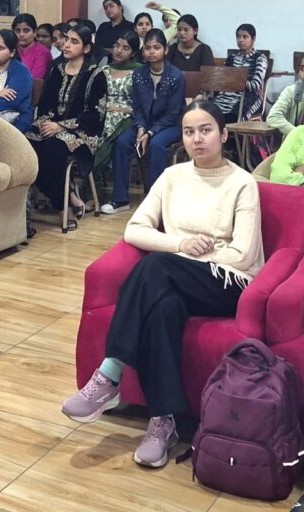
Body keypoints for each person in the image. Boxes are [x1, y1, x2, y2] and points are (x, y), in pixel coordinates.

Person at [61, 102, 264, 468]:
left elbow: (242, 255)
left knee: (156, 267)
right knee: (163, 307)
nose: (197, 139)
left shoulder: (242, 183)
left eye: (206, 130)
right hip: (177, 276)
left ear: (224, 134)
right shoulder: (172, 177)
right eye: (189, 132)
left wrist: (186, 257)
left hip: (227, 283)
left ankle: (111, 372)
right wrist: (181, 245)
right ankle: (162, 422)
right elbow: (134, 230)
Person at [26, 24, 107, 219]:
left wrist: (60, 126)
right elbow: (45, 105)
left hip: (83, 132)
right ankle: (68, 195)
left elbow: (95, 114)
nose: (66, 45)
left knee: (50, 151)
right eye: (66, 39)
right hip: (51, 126)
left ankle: (64, 209)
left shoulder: (96, 75)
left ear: (86, 48)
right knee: (26, 146)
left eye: (74, 42)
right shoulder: (57, 70)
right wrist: (47, 123)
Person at [101, 30, 184, 214]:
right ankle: (120, 199)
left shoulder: (176, 75)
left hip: (172, 124)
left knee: (156, 144)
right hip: (145, 122)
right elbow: (137, 106)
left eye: (156, 47)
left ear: (165, 50)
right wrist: (140, 128)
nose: (151, 52)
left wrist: (150, 133)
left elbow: (173, 113)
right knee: (122, 142)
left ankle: (154, 202)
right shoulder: (139, 74)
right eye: (147, 48)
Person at [94, 31, 144, 175]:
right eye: (117, 46)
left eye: (125, 48)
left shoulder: (139, 72)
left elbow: (143, 104)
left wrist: (122, 109)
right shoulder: (103, 70)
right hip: (103, 113)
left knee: (117, 137)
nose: (119, 50)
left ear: (133, 53)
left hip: (127, 116)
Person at [213, 23, 268, 121]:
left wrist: (237, 81)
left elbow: (255, 85)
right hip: (228, 94)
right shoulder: (232, 58)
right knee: (211, 110)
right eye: (238, 37)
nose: (241, 40)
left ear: (253, 39)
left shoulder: (260, 58)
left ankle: (230, 129)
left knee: (233, 115)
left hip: (250, 96)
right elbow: (224, 82)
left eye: (245, 37)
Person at [267, 51, 304, 136]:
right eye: (302, 69)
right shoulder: (292, 91)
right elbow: (273, 117)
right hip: (296, 140)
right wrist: (299, 134)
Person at [12, 13, 52, 80]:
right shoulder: (10, 49)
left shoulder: (43, 52)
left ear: (35, 32)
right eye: (17, 31)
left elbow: (34, 79)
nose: (21, 34)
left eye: (26, 31)